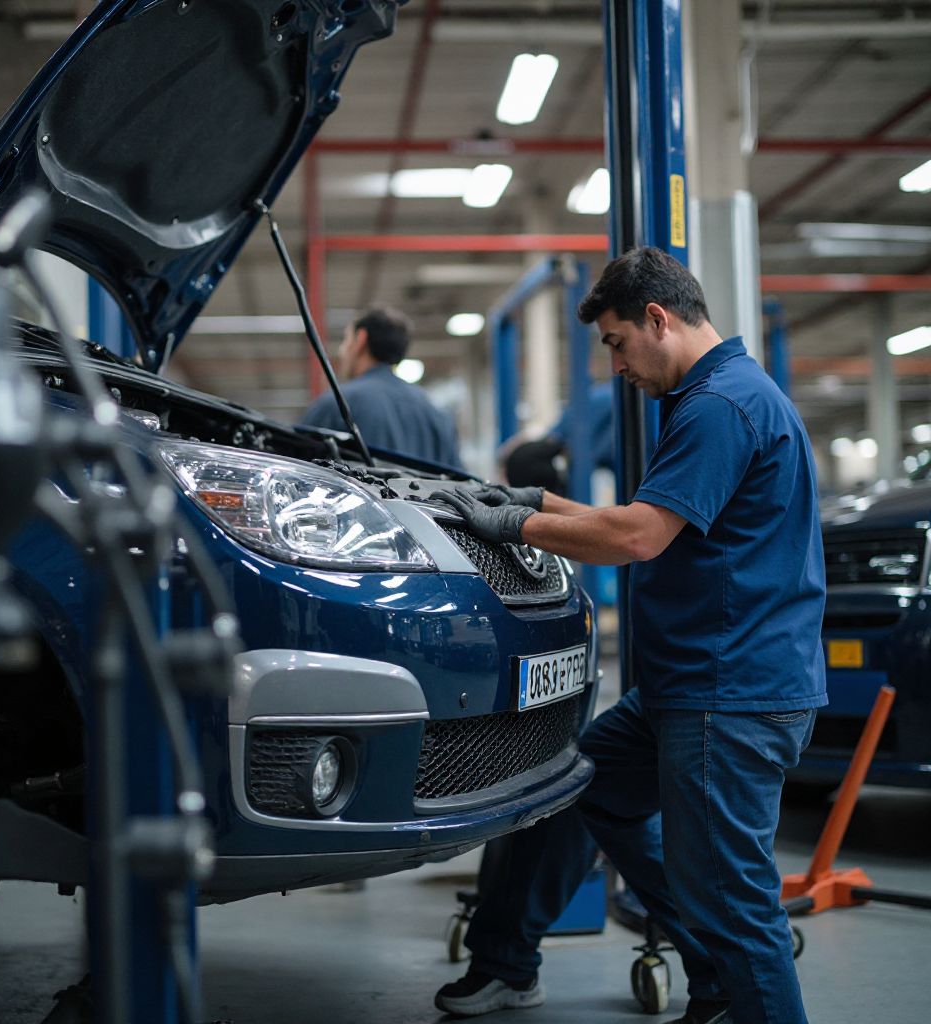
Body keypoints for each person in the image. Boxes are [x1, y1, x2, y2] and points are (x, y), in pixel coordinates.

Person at [433, 247, 826, 1024]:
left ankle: (730, 976)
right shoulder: (719, 396)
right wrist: (534, 496)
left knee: (736, 904)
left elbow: (640, 536)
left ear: (657, 318)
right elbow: (645, 520)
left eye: (615, 343)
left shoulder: (721, 406)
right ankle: (709, 980)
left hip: (730, 695)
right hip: (693, 689)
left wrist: (521, 524)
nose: (616, 367)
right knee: (585, 789)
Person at [299, 306, 461, 467]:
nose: (342, 351)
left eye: (346, 340)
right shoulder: (437, 412)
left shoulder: (336, 404)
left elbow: (300, 471)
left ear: (360, 339)